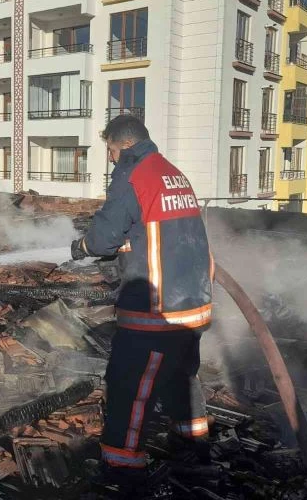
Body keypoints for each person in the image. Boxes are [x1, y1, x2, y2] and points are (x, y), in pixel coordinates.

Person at [70, 115, 213, 486]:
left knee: (130, 386)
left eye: (110, 150)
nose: (110, 158)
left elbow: (102, 238)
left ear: (124, 144)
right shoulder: (171, 173)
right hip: (193, 303)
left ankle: (122, 469)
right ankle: (193, 442)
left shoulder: (132, 174)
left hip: (157, 311)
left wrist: (82, 246)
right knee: (181, 376)